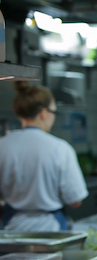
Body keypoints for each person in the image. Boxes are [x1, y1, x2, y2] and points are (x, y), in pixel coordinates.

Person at [0, 82, 88, 231]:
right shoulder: (60, 148)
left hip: (10, 229)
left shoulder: (3, 145)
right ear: (43, 113)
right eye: (54, 112)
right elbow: (75, 201)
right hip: (51, 230)